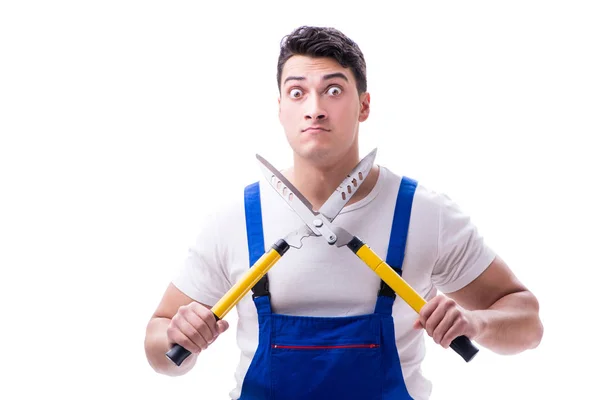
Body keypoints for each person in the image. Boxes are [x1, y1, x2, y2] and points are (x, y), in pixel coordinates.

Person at [144, 26, 543, 400]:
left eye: (333, 90)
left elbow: (528, 325)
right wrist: (179, 339)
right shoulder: (233, 220)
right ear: (280, 106)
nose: (315, 109)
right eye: (297, 92)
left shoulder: (425, 213)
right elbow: (158, 347)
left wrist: (476, 324)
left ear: (364, 105)